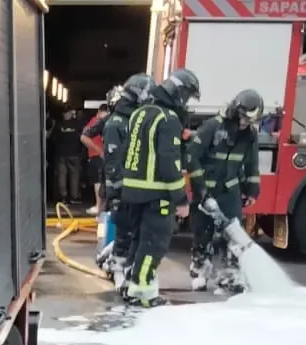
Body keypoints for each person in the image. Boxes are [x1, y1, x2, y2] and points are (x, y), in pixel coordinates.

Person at [117, 68, 200, 307]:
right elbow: (169, 161)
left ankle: (130, 285)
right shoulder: (168, 119)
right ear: (179, 93)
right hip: (157, 194)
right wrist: (181, 200)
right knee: (153, 243)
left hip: (133, 191)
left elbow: (126, 153)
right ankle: (142, 293)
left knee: (139, 240)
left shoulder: (139, 114)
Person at [185, 89, 264, 293]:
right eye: (244, 117)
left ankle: (229, 276)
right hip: (206, 190)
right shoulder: (212, 126)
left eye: (251, 120)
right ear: (235, 110)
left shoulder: (250, 135)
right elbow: (192, 157)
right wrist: (200, 188)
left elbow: (251, 165)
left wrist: (252, 191)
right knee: (203, 233)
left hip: (230, 192)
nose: (246, 122)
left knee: (233, 235)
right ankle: (200, 272)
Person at [100, 74, 154, 286]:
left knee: (132, 233)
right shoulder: (116, 124)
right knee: (124, 232)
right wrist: (117, 192)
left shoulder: (134, 119)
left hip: (134, 188)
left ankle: (113, 261)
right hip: (122, 189)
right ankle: (117, 270)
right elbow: (112, 163)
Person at [80, 100, 111, 214]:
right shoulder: (95, 122)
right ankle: (99, 206)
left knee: (99, 182)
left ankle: (100, 206)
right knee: (98, 181)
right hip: (97, 155)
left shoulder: (103, 121)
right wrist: (99, 150)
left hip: (101, 155)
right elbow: (84, 137)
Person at [51, 108, 85, 206]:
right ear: (70, 113)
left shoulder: (58, 125)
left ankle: (63, 197)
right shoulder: (77, 125)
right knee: (74, 176)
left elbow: (53, 139)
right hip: (74, 154)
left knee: (62, 175)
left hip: (61, 154)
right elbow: (82, 138)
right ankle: (74, 197)